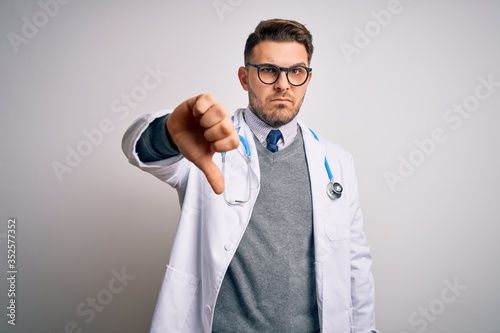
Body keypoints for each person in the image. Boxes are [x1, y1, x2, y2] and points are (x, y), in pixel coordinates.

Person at [122, 18, 378, 333]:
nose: (283, 84)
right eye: (269, 70)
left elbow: (356, 266)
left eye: (296, 71)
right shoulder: (209, 143)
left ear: (308, 80)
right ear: (245, 78)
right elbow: (139, 149)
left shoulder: (337, 162)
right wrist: (167, 133)